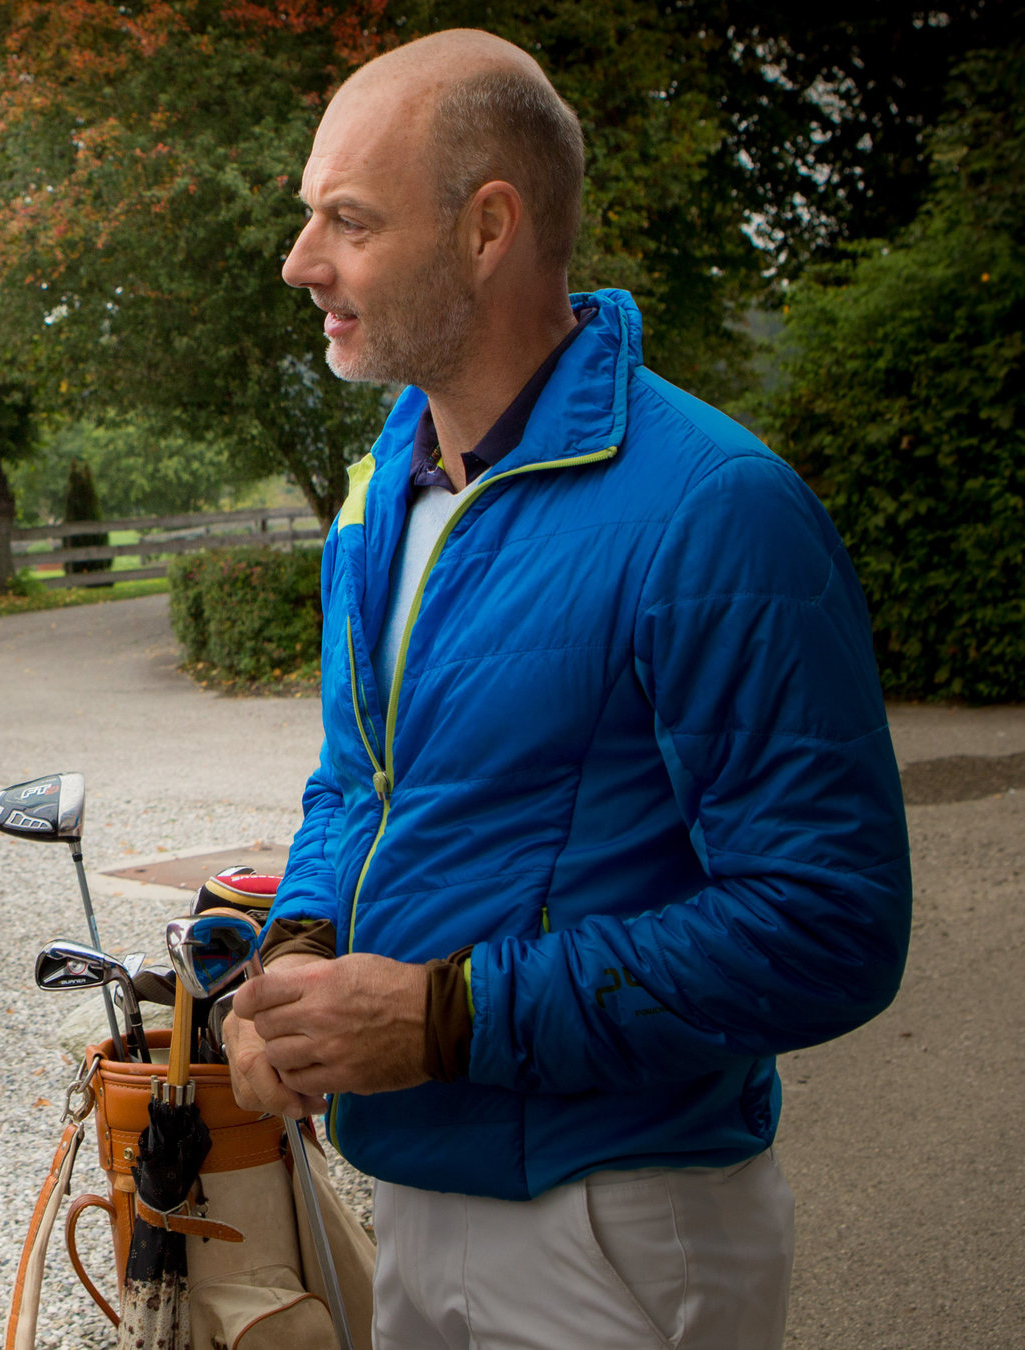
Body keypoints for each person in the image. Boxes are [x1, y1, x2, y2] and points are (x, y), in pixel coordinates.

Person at [222, 28, 911, 1349]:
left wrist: (449, 1013)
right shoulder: (388, 494)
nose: (301, 262)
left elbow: (831, 921)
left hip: (621, 1223)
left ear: (489, 227)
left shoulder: (717, 510)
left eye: (347, 222)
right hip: (421, 1190)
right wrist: (302, 952)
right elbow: (354, 783)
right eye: (310, 219)